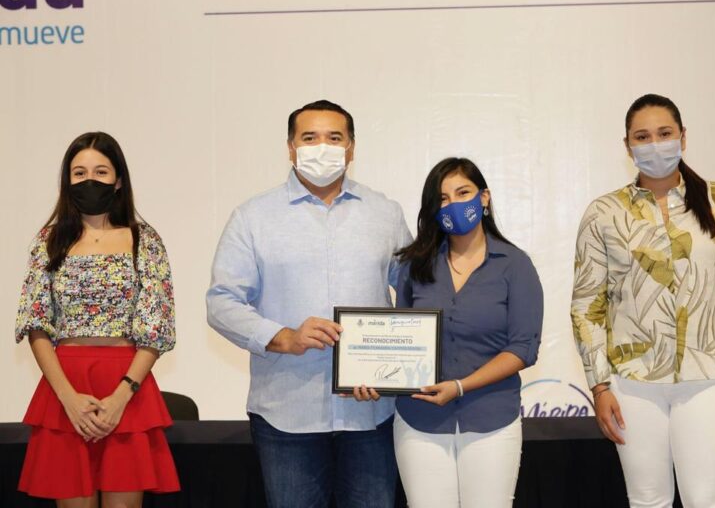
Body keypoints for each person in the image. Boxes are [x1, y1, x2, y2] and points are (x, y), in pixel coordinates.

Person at [206, 100, 412, 508]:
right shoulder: (253, 217)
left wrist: (394, 368)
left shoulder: (385, 213)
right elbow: (221, 302)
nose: (322, 147)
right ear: (290, 147)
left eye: (334, 138)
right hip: (286, 413)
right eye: (309, 137)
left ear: (351, 148)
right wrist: (283, 337)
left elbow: (413, 294)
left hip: (370, 412)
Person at [571, 93, 715, 507]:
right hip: (632, 382)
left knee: (705, 499)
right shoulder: (604, 212)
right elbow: (587, 305)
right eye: (642, 137)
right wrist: (600, 385)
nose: (654, 144)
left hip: (711, 375)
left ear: (683, 137)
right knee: (647, 500)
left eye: (664, 133)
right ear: (627, 146)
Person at [355, 157, 543, 507]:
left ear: (484, 197)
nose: (453, 204)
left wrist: (460, 386)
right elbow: (400, 339)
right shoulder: (415, 264)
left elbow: (523, 348)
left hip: (491, 419)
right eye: (442, 198)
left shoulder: (515, 265)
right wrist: (375, 376)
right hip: (420, 420)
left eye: (463, 193)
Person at [15, 131, 179, 508]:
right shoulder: (49, 240)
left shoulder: (144, 240)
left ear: (118, 180)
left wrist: (121, 396)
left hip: (127, 386)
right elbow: (35, 323)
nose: (90, 180)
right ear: (67, 181)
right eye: (79, 173)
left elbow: (156, 327)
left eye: (101, 172)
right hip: (64, 387)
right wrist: (68, 399)